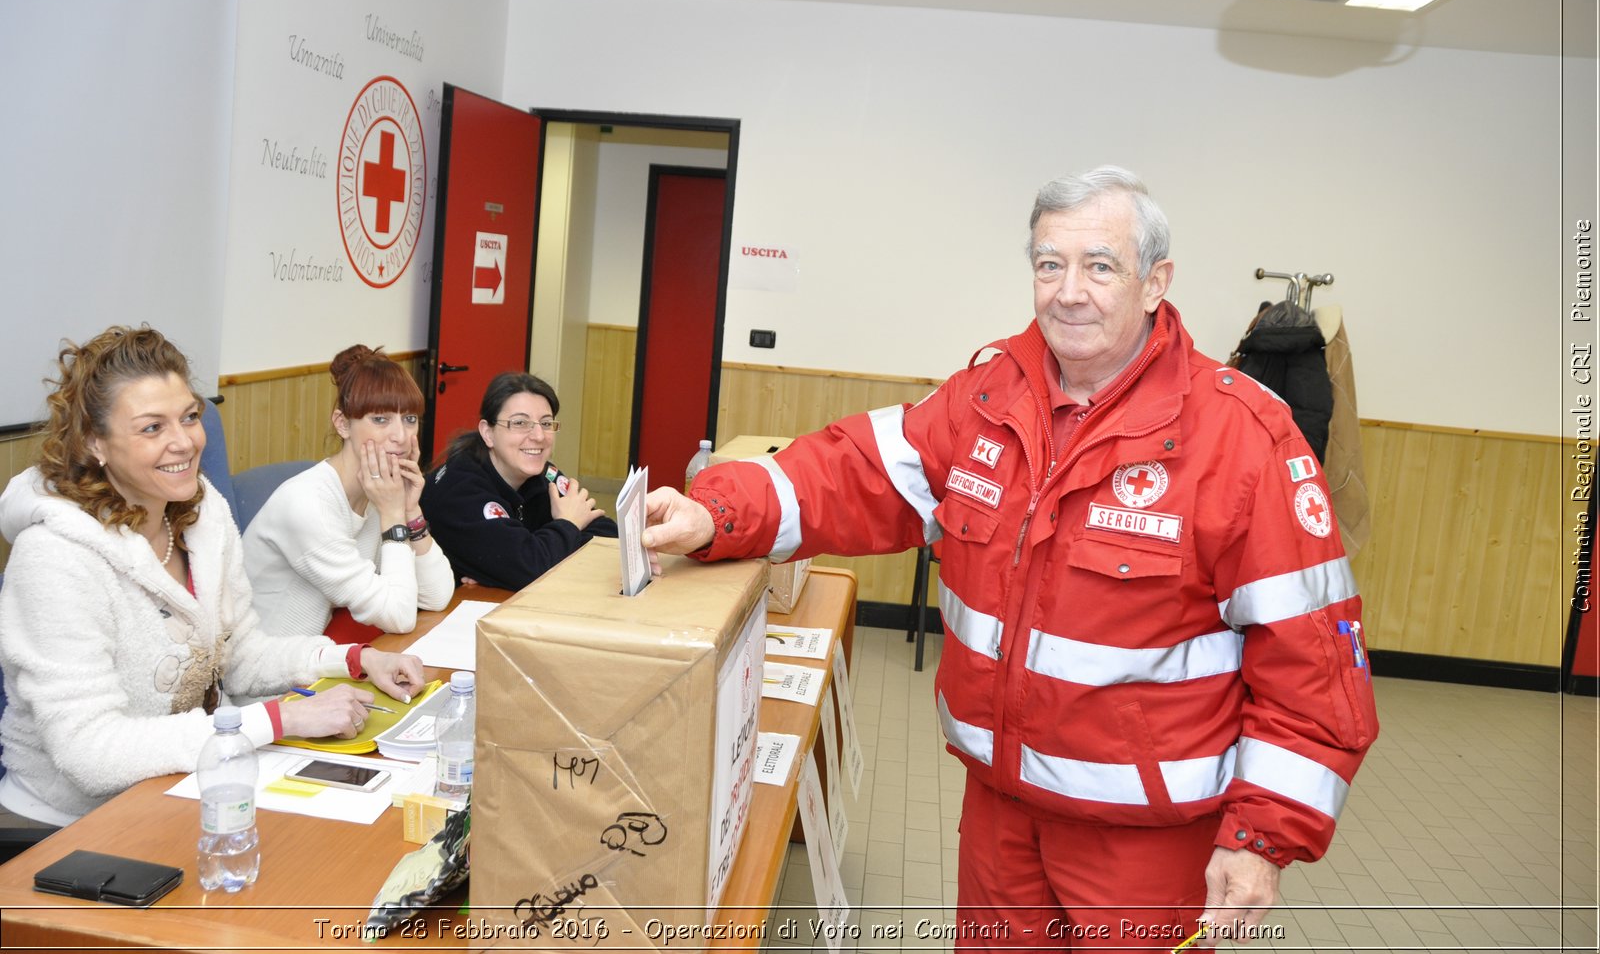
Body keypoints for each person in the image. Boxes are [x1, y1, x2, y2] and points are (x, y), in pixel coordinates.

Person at [643, 167, 1378, 949]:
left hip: (1146, 849)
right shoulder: (988, 398)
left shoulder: (1243, 439)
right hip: (999, 816)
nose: (1069, 291)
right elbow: (854, 471)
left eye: (1100, 265)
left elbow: (1312, 667)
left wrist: (1261, 837)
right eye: (1048, 263)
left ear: (1156, 282)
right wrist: (715, 510)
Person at [0, 327, 423, 826]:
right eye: (152, 428)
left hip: (188, 783)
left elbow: (241, 657)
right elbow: (91, 752)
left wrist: (353, 659)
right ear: (96, 443)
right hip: (67, 822)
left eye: (190, 417)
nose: (184, 442)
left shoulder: (202, 514)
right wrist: (275, 720)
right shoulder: (55, 555)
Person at [243, 346, 452, 644]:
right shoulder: (308, 504)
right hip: (267, 681)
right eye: (380, 419)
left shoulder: (382, 492)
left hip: (317, 661)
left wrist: (410, 509)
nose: (402, 437)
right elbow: (400, 616)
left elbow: (437, 595)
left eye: (409, 419)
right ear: (343, 424)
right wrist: (393, 515)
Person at [420, 372, 615, 590]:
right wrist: (567, 525)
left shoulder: (541, 473)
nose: (539, 436)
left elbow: (607, 535)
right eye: (520, 423)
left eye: (546, 423)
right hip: (441, 617)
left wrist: (521, 562)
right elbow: (531, 570)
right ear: (488, 433)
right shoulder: (460, 491)